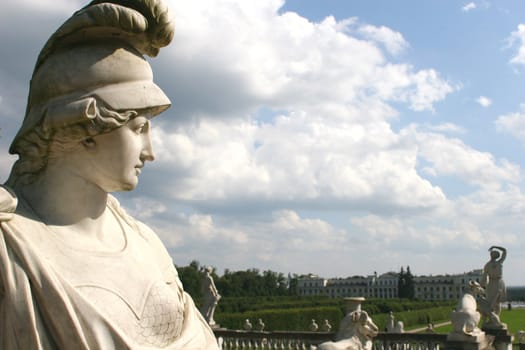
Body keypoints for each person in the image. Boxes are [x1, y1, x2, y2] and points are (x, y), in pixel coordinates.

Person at [0, 0, 219, 349]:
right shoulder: (10, 249)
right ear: (86, 126)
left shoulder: (146, 242)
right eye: (139, 128)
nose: (151, 152)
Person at [481, 245, 507, 318]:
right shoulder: (488, 265)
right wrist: (482, 285)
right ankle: (492, 317)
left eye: (495, 253)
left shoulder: (499, 262)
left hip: (499, 282)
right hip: (492, 283)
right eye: (493, 253)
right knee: (491, 301)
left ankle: (496, 318)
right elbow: (484, 276)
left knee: (497, 302)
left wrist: (495, 246)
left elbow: (504, 251)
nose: (493, 254)